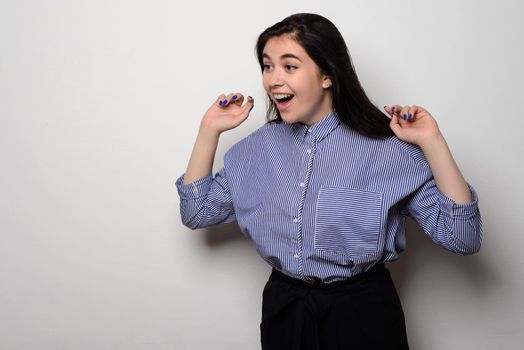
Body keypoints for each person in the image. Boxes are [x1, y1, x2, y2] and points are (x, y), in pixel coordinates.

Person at [175, 13, 482, 350]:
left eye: (289, 67)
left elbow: (462, 238)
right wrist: (209, 130)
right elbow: (197, 212)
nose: (274, 80)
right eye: (267, 66)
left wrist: (432, 142)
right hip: (285, 312)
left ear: (326, 75)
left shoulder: (390, 151)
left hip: (364, 317)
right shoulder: (252, 152)